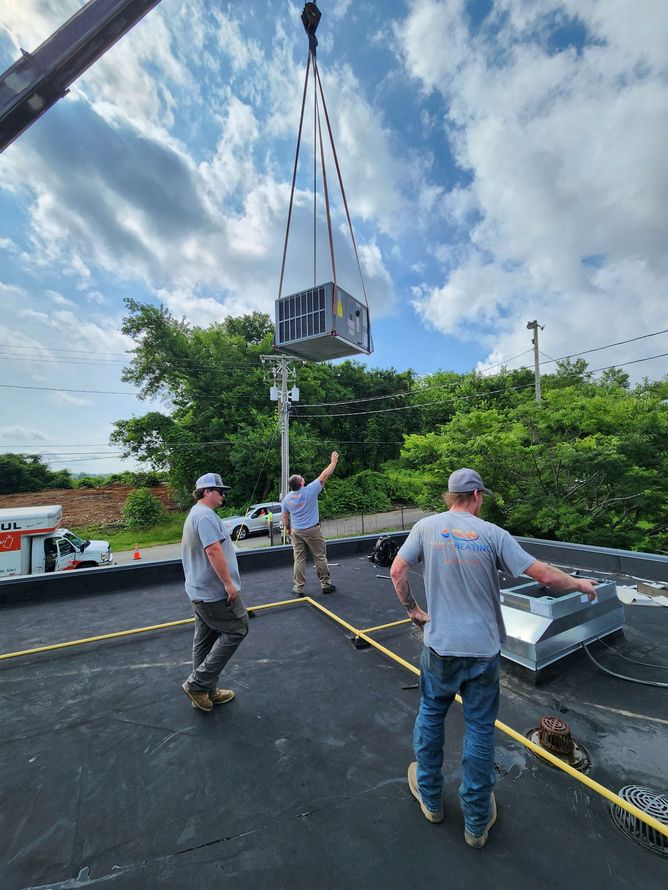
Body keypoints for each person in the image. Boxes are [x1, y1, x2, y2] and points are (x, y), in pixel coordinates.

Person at [390, 467, 597, 848]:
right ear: (477, 496)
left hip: (440, 648)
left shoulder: (426, 528)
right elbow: (546, 577)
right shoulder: (494, 535)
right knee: (481, 729)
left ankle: (432, 800)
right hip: (483, 652)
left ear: (450, 496)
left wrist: (414, 612)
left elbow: (398, 570)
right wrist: (581, 584)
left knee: (432, 717)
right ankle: (475, 822)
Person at [181, 472, 250, 712]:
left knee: (205, 639)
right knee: (238, 628)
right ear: (207, 492)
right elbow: (213, 551)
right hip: (213, 593)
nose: (224, 495)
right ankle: (198, 684)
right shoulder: (206, 517)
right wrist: (229, 584)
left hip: (199, 591)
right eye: (220, 491)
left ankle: (205, 690)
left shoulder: (195, 514)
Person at [282, 451, 339, 597]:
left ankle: (298, 588)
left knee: (299, 559)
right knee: (319, 557)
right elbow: (324, 475)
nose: (303, 478)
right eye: (302, 478)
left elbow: (285, 517)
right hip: (312, 531)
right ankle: (326, 584)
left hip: (297, 531)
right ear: (301, 483)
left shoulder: (287, 499)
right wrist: (333, 462)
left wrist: (288, 529)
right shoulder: (310, 491)